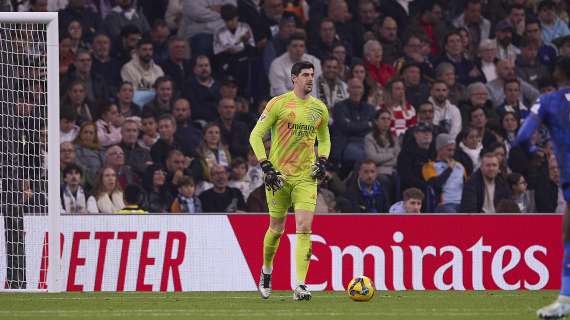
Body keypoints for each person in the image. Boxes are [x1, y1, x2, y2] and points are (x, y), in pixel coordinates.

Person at [249, 61, 330, 300]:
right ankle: (266, 272)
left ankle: (301, 284)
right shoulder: (278, 103)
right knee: (276, 229)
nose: (309, 79)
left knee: (304, 227)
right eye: (305, 74)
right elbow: (255, 135)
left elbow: (324, 139)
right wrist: (265, 165)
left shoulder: (319, 109)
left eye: (312, 75)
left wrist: (322, 160)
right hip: (278, 177)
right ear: (293, 78)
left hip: (306, 177)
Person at [513, 57, 570, 318]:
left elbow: (522, 136)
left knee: (568, 236)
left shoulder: (548, 101)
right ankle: (565, 298)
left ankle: (565, 299)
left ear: (558, 73)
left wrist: (534, 150)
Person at [422, 133, 466, 213]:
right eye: (449, 150)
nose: (452, 153)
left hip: (462, 203)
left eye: (453, 150)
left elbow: (467, 186)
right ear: (439, 150)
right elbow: (436, 184)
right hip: (444, 204)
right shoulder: (429, 166)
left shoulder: (460, 166)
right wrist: (449, 169)